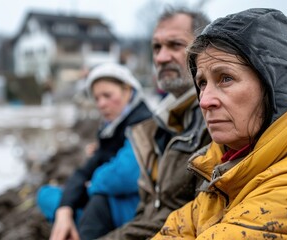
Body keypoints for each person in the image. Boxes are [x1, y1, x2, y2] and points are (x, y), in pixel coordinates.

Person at [151, 8, 287, 239]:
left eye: (225, 78)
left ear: (274, 87)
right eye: (202, 83)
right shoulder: (224, 168)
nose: (204, 101)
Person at [99, 6, 211, 240]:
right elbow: (149, 206)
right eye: (156, 47)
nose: (160, 57)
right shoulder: (161, 123)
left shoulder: (215, 122)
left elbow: (196, 219)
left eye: (175, 45)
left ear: (205, 48)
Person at [36, 62, 152, 240]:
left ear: (127, 91)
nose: (101, 104)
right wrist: (65, 209)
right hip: (102, 197)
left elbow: (125, 174)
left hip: (130, 203)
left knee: (98, 201)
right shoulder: (109, 130)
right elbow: (84, 171)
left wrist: (90, 185)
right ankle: (71, 223)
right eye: (97, 98)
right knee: (47, 195)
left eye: (107, 95)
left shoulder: (143, 123)